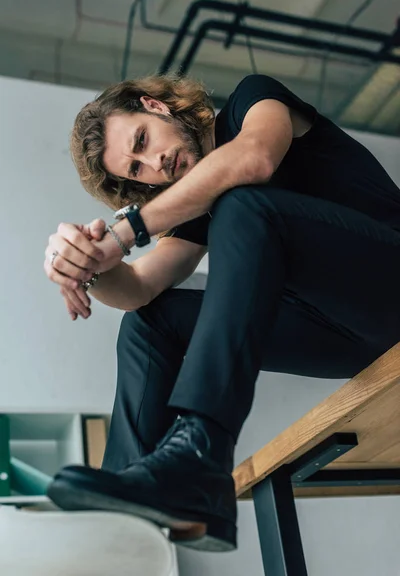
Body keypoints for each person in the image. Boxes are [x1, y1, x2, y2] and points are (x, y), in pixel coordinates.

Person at [44, 73, 400, 552]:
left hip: (390, 281)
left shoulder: (252, 101)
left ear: (157, 106)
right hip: (340, 335)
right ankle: (124, 505)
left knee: (243, 203)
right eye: (137, 169)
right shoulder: (196, 205)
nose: (156, 163)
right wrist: (85, 264)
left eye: (143, 141)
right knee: (151, 319)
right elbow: (140, 288)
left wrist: (125, 232)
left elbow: (254, 158)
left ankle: (199, 455)